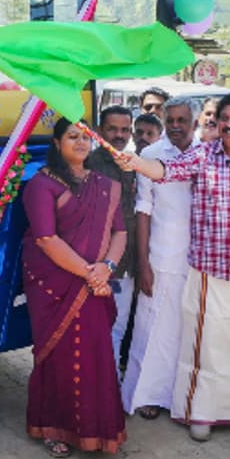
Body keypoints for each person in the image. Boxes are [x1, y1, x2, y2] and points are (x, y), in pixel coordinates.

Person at [119, 92, 230, 442]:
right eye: (226, 118)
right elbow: (167, 171)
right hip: (209, 271)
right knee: (205, 349)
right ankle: (202, 415)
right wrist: (136, 162)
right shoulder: (205, 155)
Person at [21, 118, 128, 457]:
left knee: (97, 352)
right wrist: (90, 274)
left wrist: (107, 267)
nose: (81, 143)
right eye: (72, 137)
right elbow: (45, 238)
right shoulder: (42, 185)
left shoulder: (105, 184)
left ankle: (100, 428)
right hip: (56, 284)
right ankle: (55, 427)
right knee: (60, 355)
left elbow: (120, 232)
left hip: (94, 279)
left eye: (85, 137)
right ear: (56, 143)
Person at [123, 97, 199, 420]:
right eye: (171, 121)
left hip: (198, 263)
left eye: (183, 120)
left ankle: (181, 400)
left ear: (194, 123)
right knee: (152, 332)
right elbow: (144, 211)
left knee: (187, 335)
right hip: (161, 258)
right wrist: (143, 265)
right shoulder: (150, 157)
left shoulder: (207, 155)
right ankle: (147, 397)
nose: (176, 126)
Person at [85, 105, 139, 376]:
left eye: (125, 129)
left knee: (117, 327)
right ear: (99, 131)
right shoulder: (90, 165)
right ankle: (100, 388)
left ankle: (110, 387)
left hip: (127, 264)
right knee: (100, 328)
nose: (119, 135)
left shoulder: (133, 162)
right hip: (100, 266)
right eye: (112, 129)